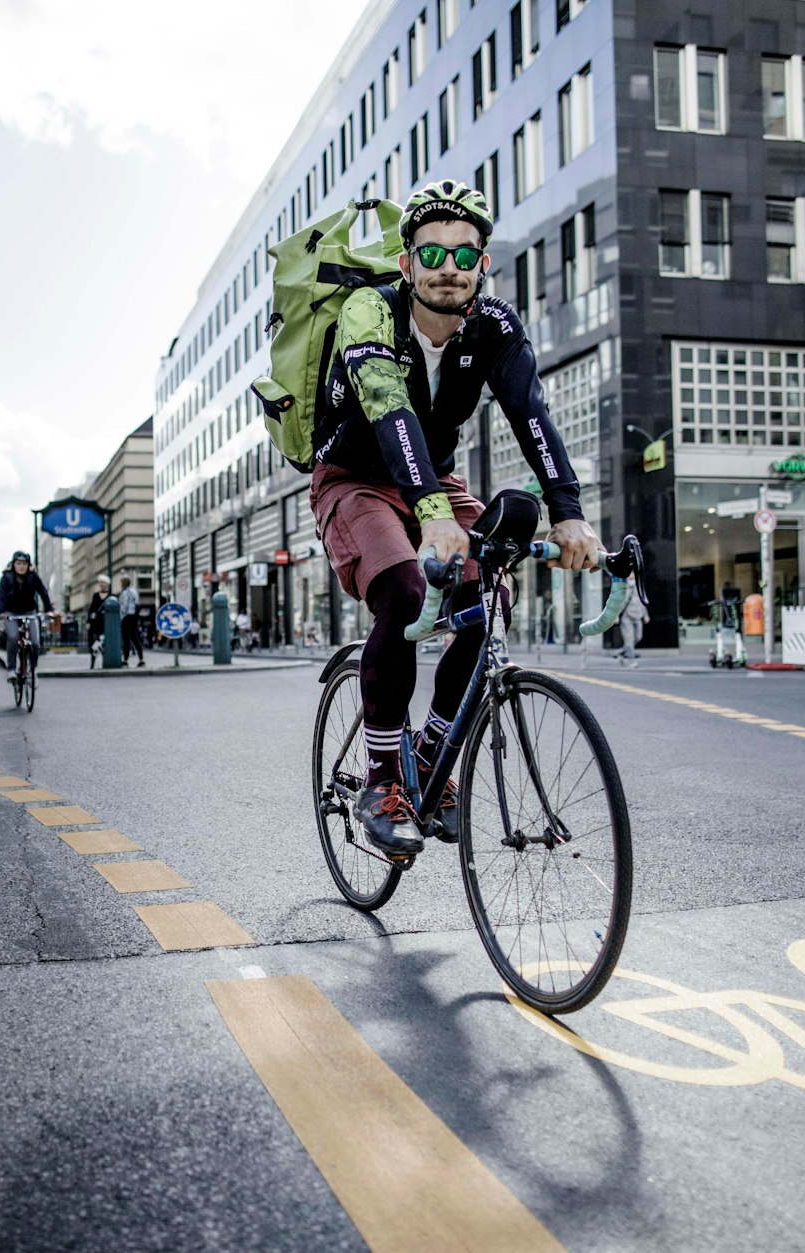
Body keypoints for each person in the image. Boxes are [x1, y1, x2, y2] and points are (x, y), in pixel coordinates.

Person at [311, 179, 601, 855]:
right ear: (407, 263)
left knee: (487, 590)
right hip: (354, 477)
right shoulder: (368, 311)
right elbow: (388, 407)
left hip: (435, 479)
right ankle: (382, 780)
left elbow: (533, 414)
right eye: (431, 254)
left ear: (483, 266)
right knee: (408, 590)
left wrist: (569, 513)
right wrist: (434, 514)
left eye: (463, 256)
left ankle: (434, 752)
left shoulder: (495, 327)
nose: (448, 268)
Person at [0, 551, 53, 681]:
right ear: (13, 564)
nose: (21, 566)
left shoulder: (33, 577)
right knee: (13, 636)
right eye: (19, 563)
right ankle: (11, 670)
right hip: (11, 613)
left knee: (35, 642)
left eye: (24, 564)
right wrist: (2, 612)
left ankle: (33, 669)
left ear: (28, 565)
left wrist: (49, 609)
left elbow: (43, 592)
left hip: (30, 612)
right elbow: (0, 597)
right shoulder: (6, 577)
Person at [616, 586, 649, 665]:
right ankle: (632, 661)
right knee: (629, 640)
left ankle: (623, 652)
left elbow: (642, 603)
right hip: (626, 618)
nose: (632, 576)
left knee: (638, 637)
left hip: (638, 616)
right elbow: (620, 604)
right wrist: (616, 616)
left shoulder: (640, 589)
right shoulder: (623, 589)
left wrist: (646, 615)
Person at [118, 576, 145, 667]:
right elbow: (137, 604)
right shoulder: (134, 591)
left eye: (121, 583)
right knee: (135, 638)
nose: (120, 584)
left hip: (126, 617)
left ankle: (125, 660)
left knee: (126, 639)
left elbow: (123, 606)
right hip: (133, 616)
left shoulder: (124, 593)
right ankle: (141, 659)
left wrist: (121, 618)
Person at [86, 575, 110, 666]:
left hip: (106, 624)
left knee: (104, 643)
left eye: (103, 582)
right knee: (93, 644)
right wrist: (88, 622)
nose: (101, 584)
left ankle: (105, 661)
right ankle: (93, 662)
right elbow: (91, 609)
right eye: (100, 582)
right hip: (95, 624)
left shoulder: (111, 596)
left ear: (107, 584)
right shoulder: (96, 596)